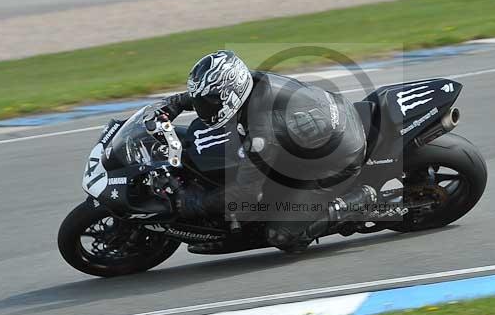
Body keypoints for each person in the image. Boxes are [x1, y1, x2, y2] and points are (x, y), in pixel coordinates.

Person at [146, 50, 376, 253]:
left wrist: (195, 202)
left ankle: (355, 202)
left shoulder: (262, 132)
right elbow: (206, 94)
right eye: (204, 101)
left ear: (231, 95)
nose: (204, 108)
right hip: (324, 124)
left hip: (340, 157)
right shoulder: (250, 82)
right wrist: (173, 104)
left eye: (210, 102)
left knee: (282, 235)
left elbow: (246, 195)